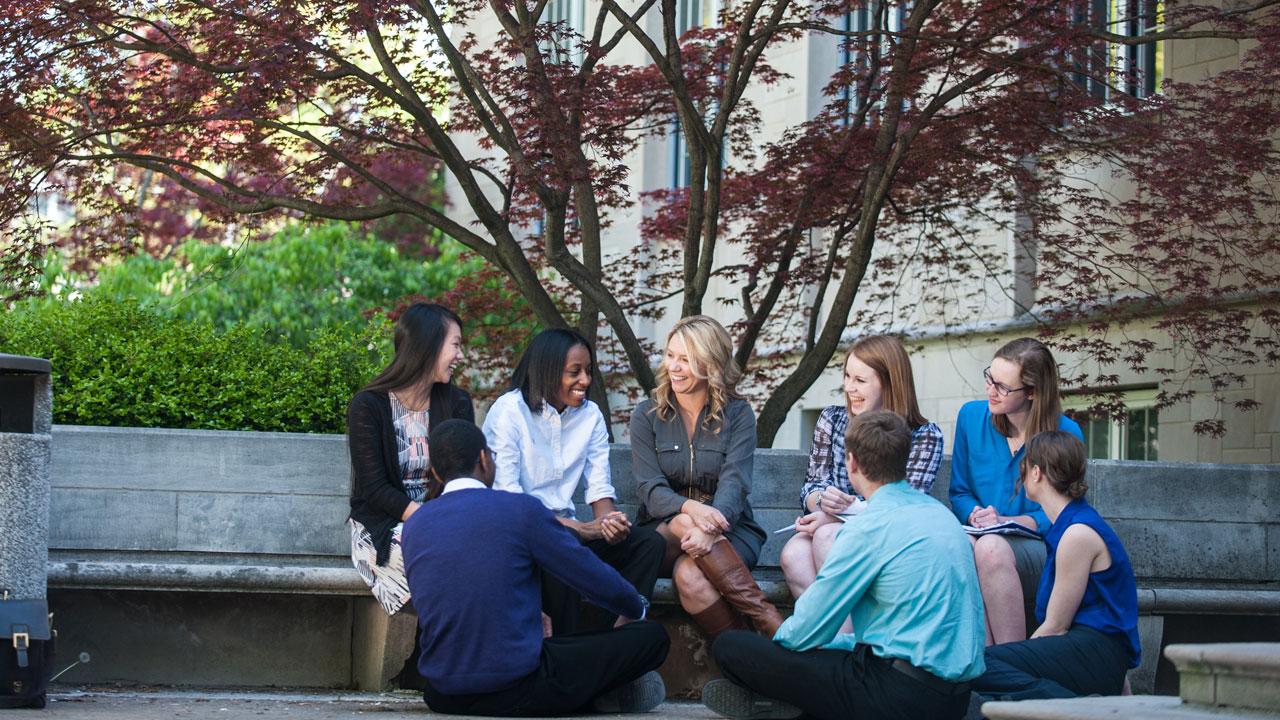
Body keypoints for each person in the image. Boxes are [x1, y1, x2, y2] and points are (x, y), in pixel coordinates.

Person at [703, 411, 985, 720]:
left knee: (732, 647)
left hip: (895, 693)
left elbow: (809, 628)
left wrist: (780, 656)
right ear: (904, 459)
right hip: (956, 697)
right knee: (838, 661)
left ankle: (778, 702)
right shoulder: (941, 515)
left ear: (851, 462)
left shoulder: (867, 527)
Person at [402, 419, 670, 716]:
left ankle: (592, 695)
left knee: (558, 653)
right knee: (652, 638)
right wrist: (636, 607)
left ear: (436, 472)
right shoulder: (520, 509)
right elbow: (588, 574)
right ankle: (598, 695)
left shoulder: (414, 526)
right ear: (483, 459)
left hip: (442, 693)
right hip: (518, 685)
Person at [482, 328, 665, 635]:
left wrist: (610, 524)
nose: (586, 381)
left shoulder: (590, 415)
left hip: (570, 535)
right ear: (547, 371)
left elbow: (599, 489)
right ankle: (564, 650)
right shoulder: (509, 412)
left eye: (588, 371)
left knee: (649, 544)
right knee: (566, 545)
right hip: (522, 539)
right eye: (574, 372)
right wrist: (581, 529)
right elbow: (511, 506)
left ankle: (617, 640)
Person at [345, 302, 472, 688]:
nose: (460, 356)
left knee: (480, 553)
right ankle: (435, 666)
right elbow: (374, 489)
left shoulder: (456, 403)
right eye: (455, 345)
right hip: (383, 526)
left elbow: (462, 476)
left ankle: (427, 663)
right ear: (429, 346)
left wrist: (446, 520)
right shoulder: (369, 406)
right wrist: (430, 519)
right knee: (440, 557)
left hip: (445, 522)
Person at [630, 315, 780, 639]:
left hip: (731, 531)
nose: (675, 367)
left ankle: (746, 659)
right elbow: (650, 490)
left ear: (711, 362)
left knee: (690, 577)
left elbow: (735, 482)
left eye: (686, 359)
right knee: (683, 522)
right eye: (671, 355)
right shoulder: (646, 415)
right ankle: (768, 620)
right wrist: (694, 511)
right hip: (661, 536)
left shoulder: (737, 414)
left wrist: (713, 527)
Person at [973, 431, 1140, 700]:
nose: (1022, 473)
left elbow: (1056, 626)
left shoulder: (1077, 533)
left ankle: (1077, 709)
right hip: (1094, 653)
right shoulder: (1070, 524)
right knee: (992, 672)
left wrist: (1022, 658)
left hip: (1094, 653)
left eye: (1025, 465)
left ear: (1036, 472)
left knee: (977, 666)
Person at [780, 335, 944, 600]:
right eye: (847, 377)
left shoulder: (923, 435)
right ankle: (834, 638)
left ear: (889, 383)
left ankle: (851, 637)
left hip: (890, 534)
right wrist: (822, 500)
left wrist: (839, 514)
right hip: (829, 522)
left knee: (828, 538)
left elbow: (905, 503)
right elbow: (813, 484)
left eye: (860, 381)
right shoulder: (832, 420)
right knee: (793, 553)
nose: (849, 388)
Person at [949, 337, 1084, 645]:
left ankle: (1011, 658)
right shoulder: (971, 417)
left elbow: (1068, 512)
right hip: (980, 537)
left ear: (1033, 392)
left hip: (1038, 548)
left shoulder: (1065, 434)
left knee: (991, 548)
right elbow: (959, 491)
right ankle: (984, 660)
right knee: (961, 547)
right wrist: (977, 514)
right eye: (989, 378)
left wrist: (1015, 522)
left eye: (1003, 387)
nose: (990, 391)